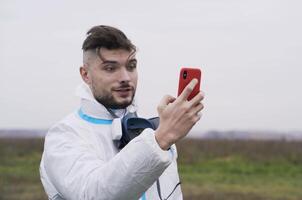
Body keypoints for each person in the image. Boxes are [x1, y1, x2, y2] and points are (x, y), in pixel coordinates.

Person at [39, 25, 204, 200]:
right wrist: (162, 138)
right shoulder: (64, 135)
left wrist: (161, 135)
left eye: (131, 66)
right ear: (85, 74)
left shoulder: (151, 129)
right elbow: (92, 194)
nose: (125, 77)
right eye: (110, 68)